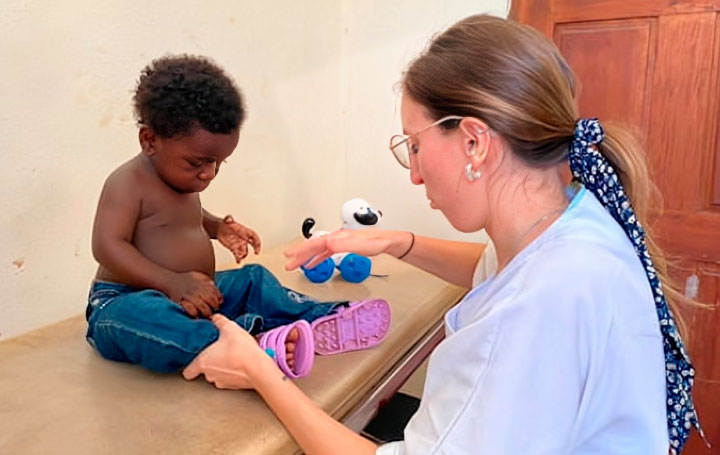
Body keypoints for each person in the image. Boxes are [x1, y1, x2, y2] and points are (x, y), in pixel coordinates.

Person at [182, 15, 703, 454]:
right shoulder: (573, 223)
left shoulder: (535, 309)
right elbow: (496, 267)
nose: (413, 172)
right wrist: (395, 242)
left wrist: (260, 373)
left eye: (414, 144)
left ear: (474, 142)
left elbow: (515, 294)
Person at [86, 54, 389, 380]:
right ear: (150, 140)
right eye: (197, 163)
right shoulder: (127, 182)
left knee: (252, 280)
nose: (209, 174)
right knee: (144, 316)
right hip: (123, 300)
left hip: (197, 297)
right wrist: (171, 283)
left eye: (218, 163)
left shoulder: (180, 178)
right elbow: (107, 246)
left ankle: (322, 319)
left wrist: (217, 227)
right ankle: (244, 346)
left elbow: (183, 216)